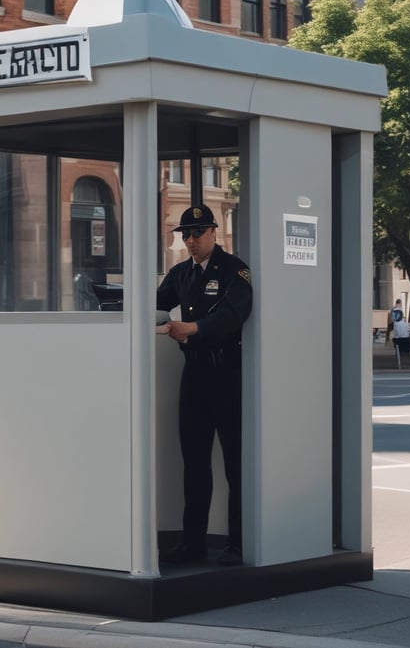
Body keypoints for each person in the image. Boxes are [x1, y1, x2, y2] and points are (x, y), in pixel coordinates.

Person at [156, 205, 253, 567]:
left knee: (235, 464)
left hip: (227, 374)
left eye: (197, 233)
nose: (191, 240)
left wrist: (193, 330)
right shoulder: (181, 273)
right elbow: (158, 303)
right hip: (195, 375)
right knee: (194, 464)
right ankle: (192, 544)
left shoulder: (234, 270)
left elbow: (233, 313)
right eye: (185, 234)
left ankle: (239, 543)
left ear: (215, 232)